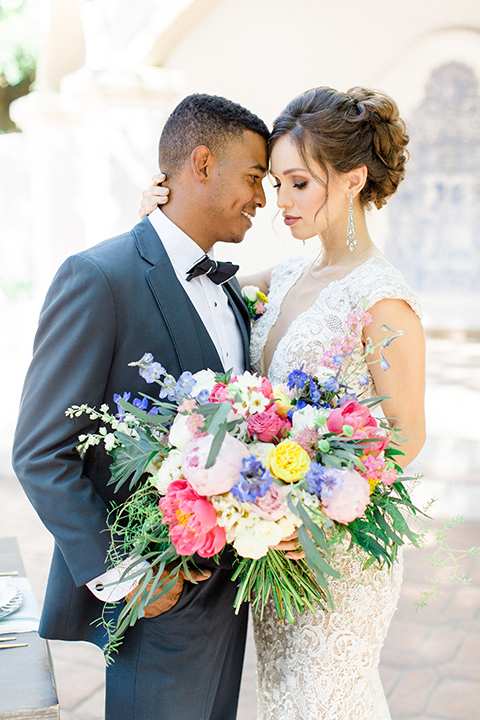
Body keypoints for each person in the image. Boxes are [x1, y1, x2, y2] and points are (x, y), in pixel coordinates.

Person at [140, 86, 426, 720]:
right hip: (274, 533)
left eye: (299, 184)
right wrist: (159, 221)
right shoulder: (290, 274)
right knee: (282, 699)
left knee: (327, 700)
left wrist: (322, 513)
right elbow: (187, 292)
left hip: (333, 550)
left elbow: (408, 432)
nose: (279, 203)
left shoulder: (382, 299)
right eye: (275, 182)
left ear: (352, 181)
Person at [12, 93, 270, 720]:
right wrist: (124, 577)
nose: (262, 199)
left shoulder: (231, 287)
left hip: (231, 589)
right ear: (202, 164)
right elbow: (40, 451)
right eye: (255, 177)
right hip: (157, 595)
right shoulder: (99, 277)